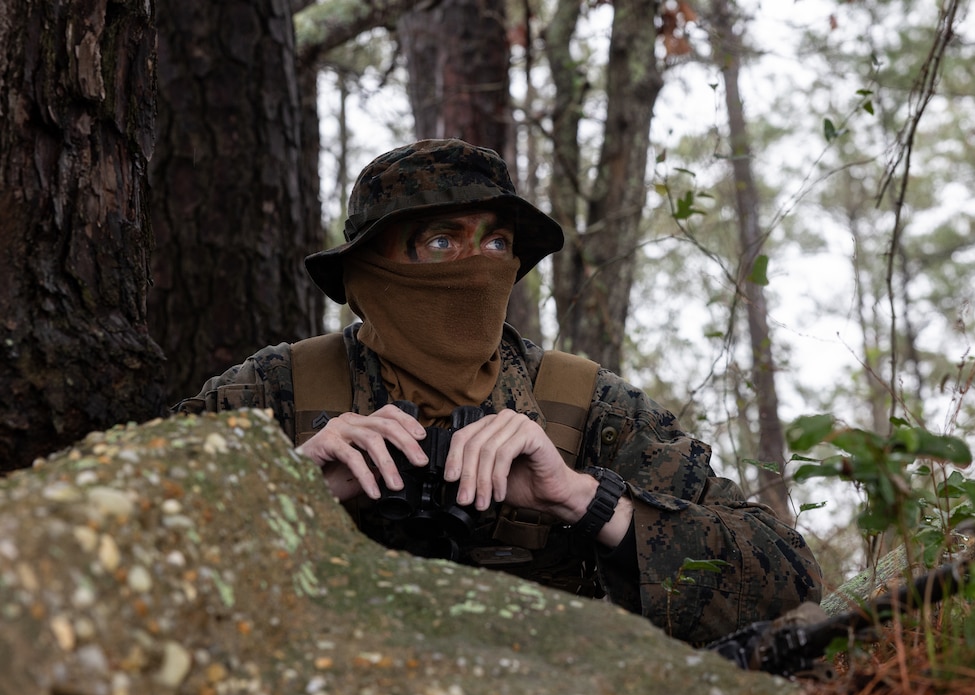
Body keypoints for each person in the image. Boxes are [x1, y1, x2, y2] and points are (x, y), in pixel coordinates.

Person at [174, 138, 822, 646]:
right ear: (369, 268)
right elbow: (99, 548)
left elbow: (788, 580)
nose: (479, 262)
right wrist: (284, 493)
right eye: (441, 240)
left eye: (497, 241)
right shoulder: (276, 392)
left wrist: (585, 501)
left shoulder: (585, 405)